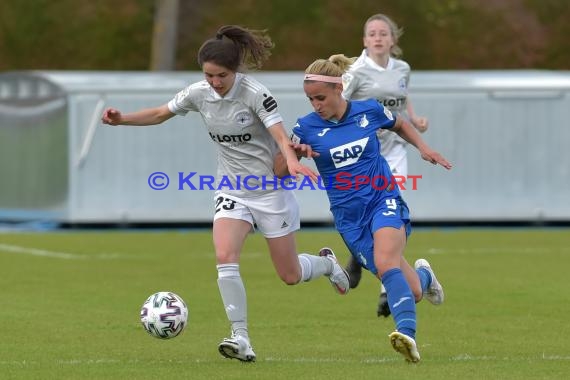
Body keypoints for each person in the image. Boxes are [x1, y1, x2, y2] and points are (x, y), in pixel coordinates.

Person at [101, 25, 350, 363]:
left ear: (235, 71)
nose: (214, 83)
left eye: (221, 76)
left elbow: (280, 137)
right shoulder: (197, 93)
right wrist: (122, 119)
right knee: (225, 256)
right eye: (209, 75)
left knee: (289, 275)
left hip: (269, 191)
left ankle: (325, 264)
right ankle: (241, 337)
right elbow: (161, 113)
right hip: (231, 189)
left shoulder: (255, 94)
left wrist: (291, 161)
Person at [275, 57, 451, 362]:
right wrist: (295, 155)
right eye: (310, 99)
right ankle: (425, 277)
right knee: (413, 291)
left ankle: (406, 335)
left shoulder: (368, 110)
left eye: (321, 97)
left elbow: (398, 124)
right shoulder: (305, 127)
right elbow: (278, 170)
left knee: (385, 264)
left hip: (383, 199)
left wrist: (423, 147)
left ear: (339, 88)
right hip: (349, 218)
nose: (316, 105)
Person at [340, 13, 431, 318]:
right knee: (367, 214)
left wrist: (414, 120)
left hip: (394, 153)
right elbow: (338, 105)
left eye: (383, 33)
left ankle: (385, 290)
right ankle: (357, 255)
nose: (378, 38)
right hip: (364, 156)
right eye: (372, 34)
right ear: (365, 41)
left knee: (392, 214)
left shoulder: (402, 69)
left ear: (393, 39)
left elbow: (402, 100)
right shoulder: (355, 71)